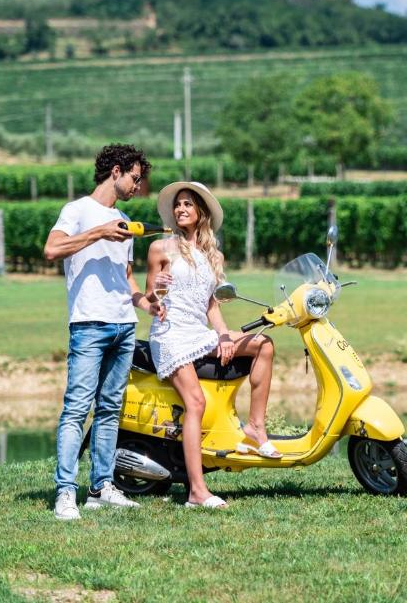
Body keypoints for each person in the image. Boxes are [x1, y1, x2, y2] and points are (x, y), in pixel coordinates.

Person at [44, 144, 165, 521]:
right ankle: (66, 492)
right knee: (76, 410)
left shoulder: (125, 220)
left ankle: (100, 488)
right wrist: (98, 232)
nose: (137, 186)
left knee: (110, 410)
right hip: (89, 324)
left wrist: (147, 303)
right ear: (116, 171)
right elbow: (51, 250)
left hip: (123, 326)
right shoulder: (77, 211)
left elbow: (126, 281)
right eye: (134, 178)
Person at [146, 181, 278, 509]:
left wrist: (222, 335)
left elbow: (212, 306)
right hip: (170, 334)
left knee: (264, 345)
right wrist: (156, 287)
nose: (181, 209)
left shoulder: (211, 254)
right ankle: (196, 492)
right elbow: (150, 297)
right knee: (196, 404)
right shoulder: (160, 249)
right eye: (178, 205)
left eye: (188, 204)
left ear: (200, 211)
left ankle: (255, 427)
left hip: (199, 332)